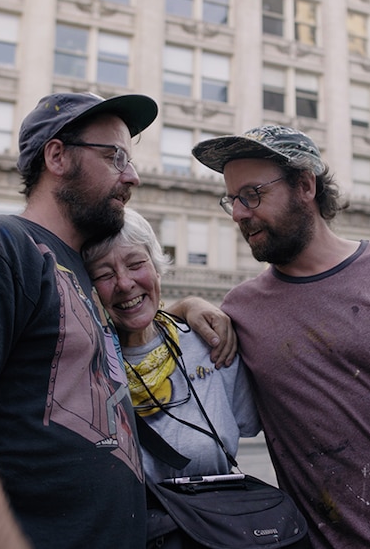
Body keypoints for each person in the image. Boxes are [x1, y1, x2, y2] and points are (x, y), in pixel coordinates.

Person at [0, 92, 236, 549]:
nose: (133, 175)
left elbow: (131, 313)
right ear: (57, 156)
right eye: (115, 156)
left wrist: (184, 307)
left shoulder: (78, 271)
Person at [192, 125, 370, 549]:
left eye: (252, 194)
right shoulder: (240, 310)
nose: (239, 212)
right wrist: (187, 305)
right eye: (232, 199)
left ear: (305, 185)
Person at [83, 208, 261, 547]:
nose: (124, 283)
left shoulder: (210, 344)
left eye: (136, 265)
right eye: (103, 274)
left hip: (215, 536)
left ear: (156, 266)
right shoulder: (80, 366)